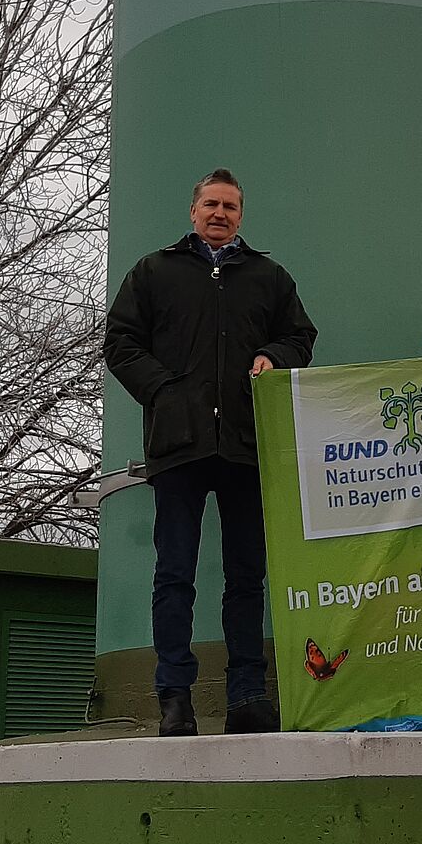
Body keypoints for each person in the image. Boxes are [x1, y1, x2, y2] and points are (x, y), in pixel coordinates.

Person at [105, 169, 318, 736]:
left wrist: (275, 354)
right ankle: (174, 698)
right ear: (193, 210)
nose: (220, 213)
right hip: (179, 446)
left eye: (230, 206)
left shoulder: (269, 278)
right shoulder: (155, 272)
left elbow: (301, 336)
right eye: (210, 204)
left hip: (248, 447)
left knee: (247, 577)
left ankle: (247, 694)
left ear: (241, 214)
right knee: (174, 574)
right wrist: (165, 391)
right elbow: (121, 342)